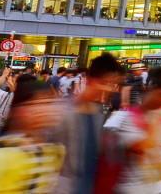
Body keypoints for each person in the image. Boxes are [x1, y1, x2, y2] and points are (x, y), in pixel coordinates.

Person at [0, 74, 67, 194]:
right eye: (35, 104)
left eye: (48, 102)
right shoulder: (0, 159)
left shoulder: (56, 152)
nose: (44, 110)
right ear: (18, 109)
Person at [52, 52, 124, 194]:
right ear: (90, 79)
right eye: (105, 83)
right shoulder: (62, 112)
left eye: (113, 84)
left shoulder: (99, 113)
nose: (109, 89)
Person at [102, 67, 161, 194]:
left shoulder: (158, 117)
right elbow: (142, 146)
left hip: (148, 188)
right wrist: (158, 117)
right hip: (126, 189)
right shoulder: (125, 118)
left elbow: (157, 154)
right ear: (150, 89)